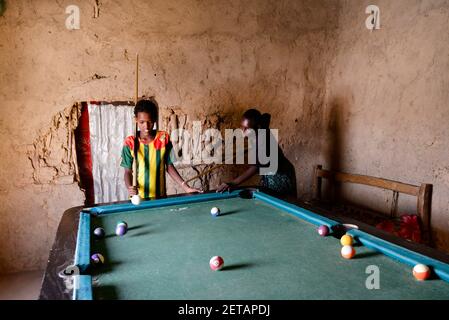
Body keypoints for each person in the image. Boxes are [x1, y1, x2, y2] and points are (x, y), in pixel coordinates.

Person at [121, 100, 202, 199]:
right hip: (138, 198)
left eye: (149, 122)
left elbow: (169, 166)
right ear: (136, 120)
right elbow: (127, 172)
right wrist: (130, 187)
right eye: (142, 122)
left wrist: (186, 188)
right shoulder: (130, 143)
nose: (146, 126)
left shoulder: (164, 138)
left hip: (160, 197)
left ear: (154, 120)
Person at [216, 108, 296, 196]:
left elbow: (256, 167)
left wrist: (232, 183)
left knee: (280, 202)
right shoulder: (259, 132)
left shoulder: (262, 138)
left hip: (281, 176)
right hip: (270, 173)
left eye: (246, 128)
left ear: (257, 127)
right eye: (242, 127)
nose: (243, 131)